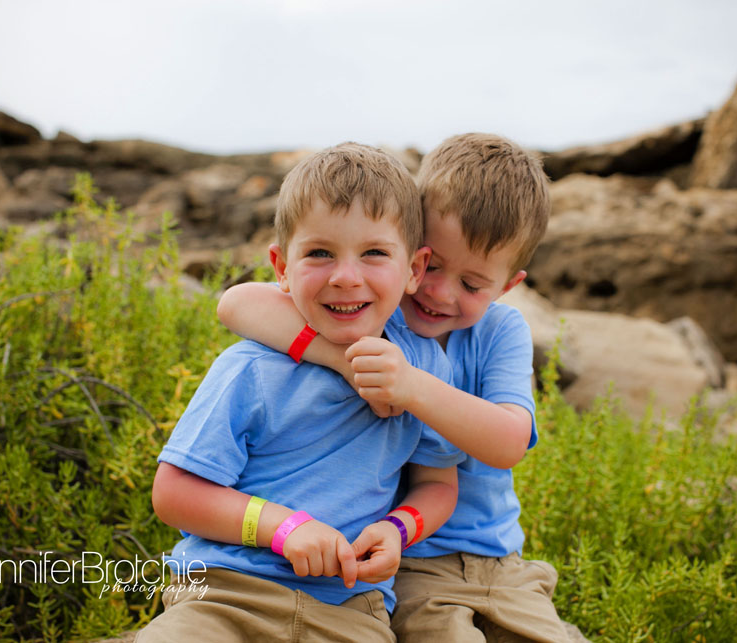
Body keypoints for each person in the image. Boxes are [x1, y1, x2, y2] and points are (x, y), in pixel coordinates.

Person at [216, 133, 571, 642]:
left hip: (499, 555)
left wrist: (411, 386)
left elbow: (509, 442)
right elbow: (236, 304)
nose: (440, 292)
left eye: (472, 285)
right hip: (407, 559)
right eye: (433, 266)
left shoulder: (500, 331)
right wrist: (345, 360)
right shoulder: (377, 315)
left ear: (508, 286)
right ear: (413, 254)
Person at [138, 142, 464, 643]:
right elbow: (174, 494)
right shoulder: (251, 368)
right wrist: (285, 528)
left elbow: (438, 484)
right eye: (319, 253)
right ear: (281, 267)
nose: (345, 277)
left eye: (374, 252)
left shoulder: (425, 370)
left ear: (415, 270)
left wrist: (400, 528)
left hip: (351, 608)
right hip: (225, 594)